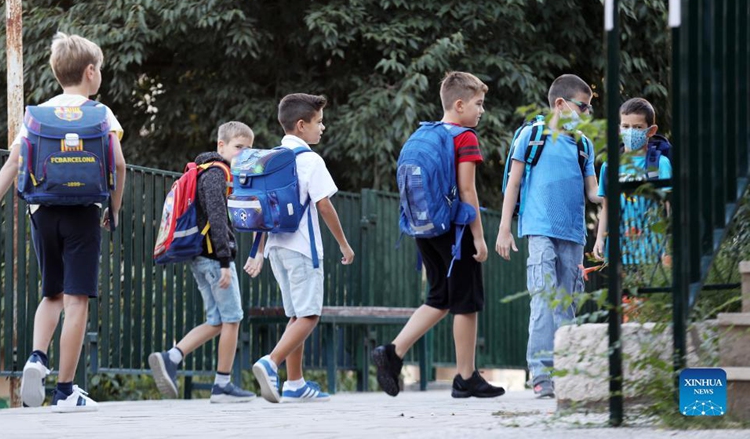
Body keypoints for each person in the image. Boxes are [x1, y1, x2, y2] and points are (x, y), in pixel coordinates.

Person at [0, 32, 126, 412]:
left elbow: (14, 162)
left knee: (52, 293)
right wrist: (115, 207)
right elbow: (119, 164)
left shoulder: (38, 114)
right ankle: (65, 391)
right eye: (101, 70)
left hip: (42, 211)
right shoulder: (101, 114)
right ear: (90, 72)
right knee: (77, 299)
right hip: (84, 213)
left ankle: (36, 357)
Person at [372, 71, 504, 400]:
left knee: (439, 298)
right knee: (466, 303)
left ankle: (392, 352)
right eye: (478, 104)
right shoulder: (465, 137)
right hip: (456, 231)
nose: (481, 110)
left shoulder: (425, 134)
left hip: (425, 229)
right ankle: (466, 377)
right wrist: (479, 237)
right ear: (459, 105)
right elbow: (467, 189)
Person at [496, 74, 600, 399]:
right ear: (560, 104)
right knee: (542, 299)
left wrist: (620, 186)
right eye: (583, 106)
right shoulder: (532, 135)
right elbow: (513, 184)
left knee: (566, 303)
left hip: (573, 234)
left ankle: (565, 373)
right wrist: (503, 229)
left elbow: (594, 191)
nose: (586, 113)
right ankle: (541, 373)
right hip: (539, 229)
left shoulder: (584, 144)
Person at [252, 93, 355, 403]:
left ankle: (295, 384)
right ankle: (270, 362)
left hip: (276, 248)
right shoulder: (310, 159)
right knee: (310, 315)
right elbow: (324, 205)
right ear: (301, 125)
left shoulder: (269, 158)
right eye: (318, 122)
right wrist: (344, 244)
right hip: (302, 248)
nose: (322, 128)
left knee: (297, 315)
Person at [148, 121, 260, 403]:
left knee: (217, 320)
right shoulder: (217, 174)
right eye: (238, 147)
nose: (243, 153)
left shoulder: (207, 171)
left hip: (203, 257)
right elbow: (217, 217)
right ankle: (222, 385)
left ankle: (171, 358)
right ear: (221, 146)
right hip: (214, 259)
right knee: (233, 319)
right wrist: (225, 260)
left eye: (248, 149)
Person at [592, 98, 672, 267]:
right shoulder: (610, 166)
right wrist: (600, 239)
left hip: (652, 251)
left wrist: (667, 247)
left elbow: (667, 206)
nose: (631, 132)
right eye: (626, 126)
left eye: (637, 127)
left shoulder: (660, 164)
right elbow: (607, 206)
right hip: (619, 251)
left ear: (651, 130)